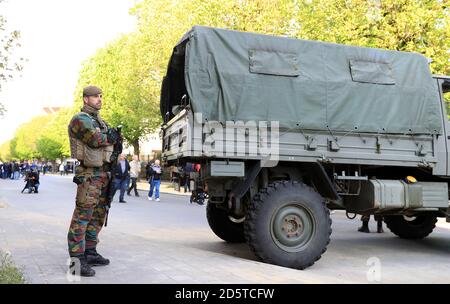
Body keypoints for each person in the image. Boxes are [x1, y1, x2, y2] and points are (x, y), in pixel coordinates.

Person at [67, 85, 121, 277]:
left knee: (98, 216)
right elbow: (95, 139)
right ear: (85, 99)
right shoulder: (80, 119)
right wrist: (111, 137)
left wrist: (115, 140)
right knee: (82, 217)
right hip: (89, 176)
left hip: (103, 175)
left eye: (100, 96)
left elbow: (110, 142)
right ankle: (76, 263)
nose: (99, 99)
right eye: (95, 96)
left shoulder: (101, 121)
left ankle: (89, 252)